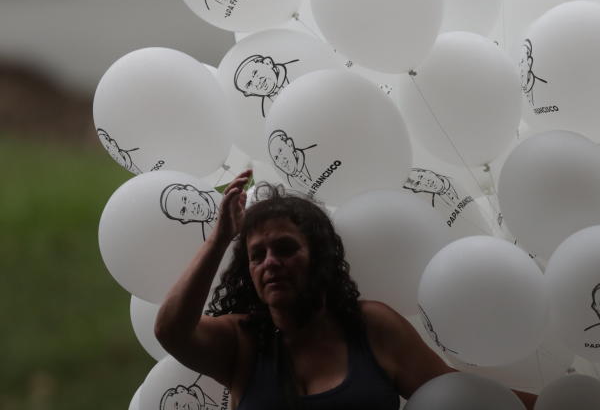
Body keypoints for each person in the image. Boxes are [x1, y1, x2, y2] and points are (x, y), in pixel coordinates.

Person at [155, 170, 537, 409]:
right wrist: (220, 239)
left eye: (286, 248)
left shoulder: (370, 326)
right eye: (257, 254)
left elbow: (454, 394)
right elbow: (171, 330)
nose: (271, 262)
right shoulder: (240, 341)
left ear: (318, 256)